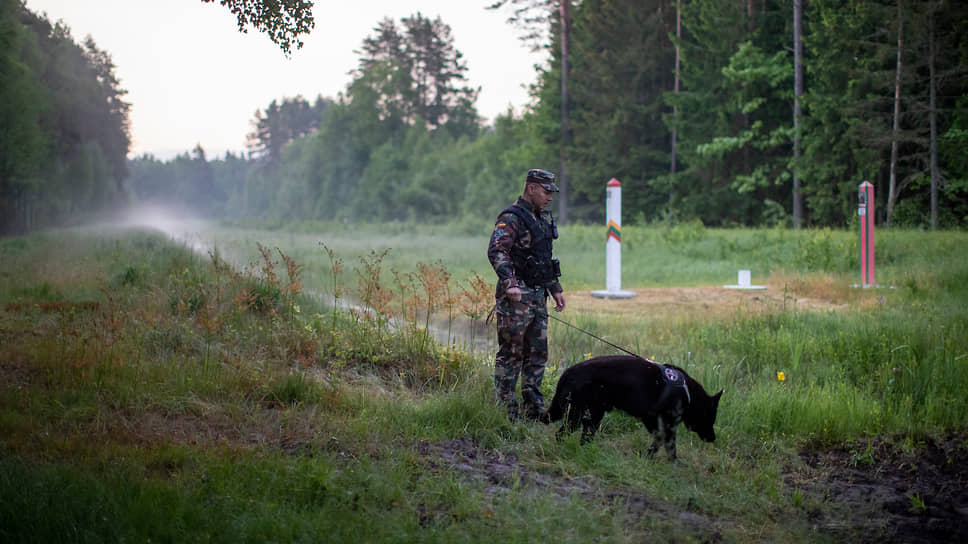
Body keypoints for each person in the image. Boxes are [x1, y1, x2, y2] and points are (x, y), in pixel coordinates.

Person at [487, 168, 567, 422]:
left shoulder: (542, 218)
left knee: (537, 353)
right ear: (531, 188)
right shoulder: (511, 217)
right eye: (546, 191)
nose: (550, 197)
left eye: (552, 192)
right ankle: (505, 408)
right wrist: (510, 283)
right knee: (511, 352)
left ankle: (534, 408)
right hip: (516, 298)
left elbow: (544, 257)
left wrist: (555, 288)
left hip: (538, 295)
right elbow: (497, 251)